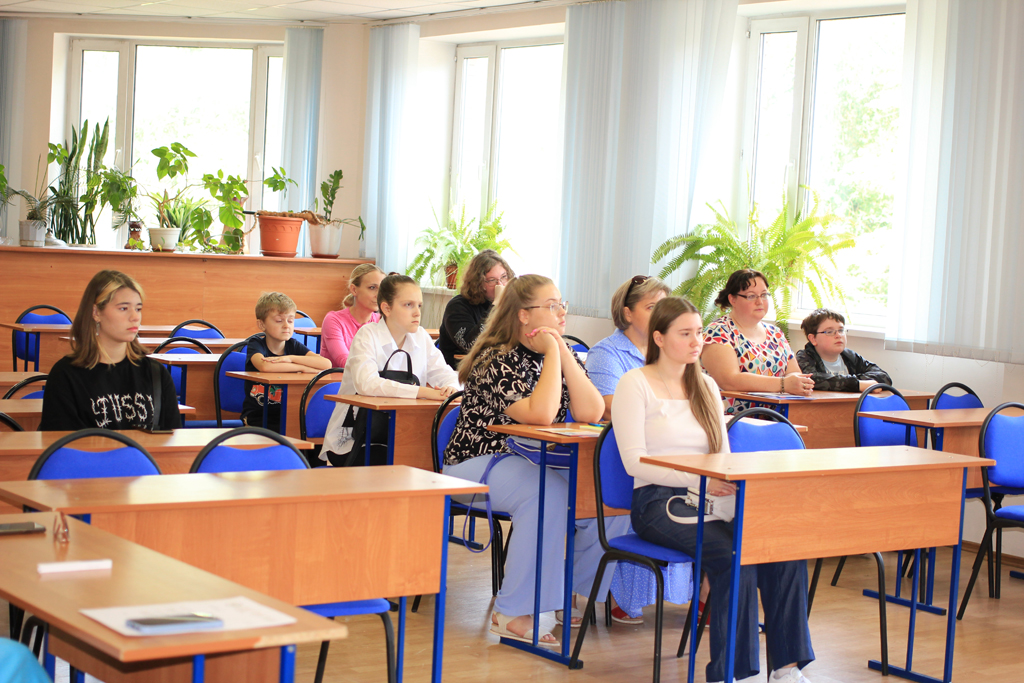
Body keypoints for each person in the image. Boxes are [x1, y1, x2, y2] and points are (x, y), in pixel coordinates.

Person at [613, 296, 816, 683]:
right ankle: (734, 674)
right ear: (659, 338)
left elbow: (722, 454)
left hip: (710, 496)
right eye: (685, 334)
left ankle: (786, 669)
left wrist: (729, 487)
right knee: (734, 556)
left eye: (699, 332)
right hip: (657, 501)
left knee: (782, 548)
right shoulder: (634, 384)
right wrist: (700, 480)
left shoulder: (705, 384)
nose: (697, 342)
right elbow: (634, 463)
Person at [443, 274, 629, 646]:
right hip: (478, 462)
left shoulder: (559, 353)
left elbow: (592, 411)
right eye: (551, 306)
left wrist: (562, 354)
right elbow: (540, 415)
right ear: (523, 315)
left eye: (562, 304)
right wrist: (553, 354)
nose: (561, 313)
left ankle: (568, 594)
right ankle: (511, 612)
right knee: (547, 495)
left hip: (535, 460)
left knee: (609, 498)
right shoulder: (495, 359)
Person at [588, 274, 698, 625]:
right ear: (627, 313)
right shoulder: (607, 353)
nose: (662, 312)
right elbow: (609, 406)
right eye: (652, 307)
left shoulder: (676, 355)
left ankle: (703, 596)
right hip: (625, 453)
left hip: (670, 452)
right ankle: (624, 595)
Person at [322, 274, 460, 466]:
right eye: (408, 305)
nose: (417, 313)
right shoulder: (367, 335)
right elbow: (368, 384)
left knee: (431, 458)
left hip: (405, 434)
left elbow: (445, 373)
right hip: (356, 440)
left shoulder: (421, 337)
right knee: (408, 462)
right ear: (386, 308)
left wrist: (451, 387)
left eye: (419, 305)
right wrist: (423, 392)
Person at [40, 270, 181, 431]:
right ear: (96, 313)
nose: (135, 317)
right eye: (123, 308)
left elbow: (173, 439)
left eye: (138, 309)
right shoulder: (65, 376)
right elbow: (61, 442)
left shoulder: (156, 374)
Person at [701, 269, 814, 414]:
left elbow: (794, 373)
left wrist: (796, 382)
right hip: (730, 418)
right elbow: (729, 380)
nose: (760, 302)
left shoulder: (776, 333)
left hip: (776, 416)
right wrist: (783, 384)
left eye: (764, 295)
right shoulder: (718, 332)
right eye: (751, 296)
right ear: (732, 299)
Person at [241, 292, 331, 432]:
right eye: (279, 321)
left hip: (288, 416)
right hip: (258, 417)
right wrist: (302, 368)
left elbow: (326, 364)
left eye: (290, 320)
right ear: (261, 324)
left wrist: (291, 358)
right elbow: (265, 366)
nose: (286, 326)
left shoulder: (293, 346)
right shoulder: (256, 343)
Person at [438, 249, 515, 368]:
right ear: (479, 283)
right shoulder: (457, 306)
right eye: (492, 280)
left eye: (504, 277)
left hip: (497, 367)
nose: (500, 285)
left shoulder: (510, 304)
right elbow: (471, 345)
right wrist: (495, 306)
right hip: (459, 371)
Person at [796, 308, 891, 392]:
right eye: (829, 332)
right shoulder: (804, 357)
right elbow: (813, 380)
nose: (838, 335)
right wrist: (858, 385)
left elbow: (883, 377)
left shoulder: (849, 356)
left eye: (841, 330)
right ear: (813, 339)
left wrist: (856, 381)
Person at [321, 263, 385, 368]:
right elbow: (345, 362)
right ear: (354, 290)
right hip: (340, 379)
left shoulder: (381, 321)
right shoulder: (334, 320)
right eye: (372, 287)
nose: (379, 295)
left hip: (371, 377)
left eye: (382, 289)